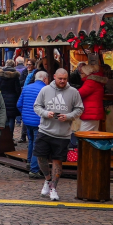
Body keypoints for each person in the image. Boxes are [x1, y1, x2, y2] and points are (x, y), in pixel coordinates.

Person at [32, 68, 83, 201]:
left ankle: (53, 188)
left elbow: (79, 109)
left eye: (65, 79)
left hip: (63, 134)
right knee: (40, 157)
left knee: (57, 160)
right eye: (60, 78)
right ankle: (48, 180)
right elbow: (37, 106)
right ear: (54, 77)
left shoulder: (73, 92)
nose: (62, 81)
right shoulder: (45, 90)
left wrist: (68, 116)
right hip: (45, 130)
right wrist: (45, 113)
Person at [18, 70, 48, 177]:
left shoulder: (26, 88)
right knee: (37, 144)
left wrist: (24, 115)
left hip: (27, 121)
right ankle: (34, 169)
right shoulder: (45, 89)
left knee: (31, 141)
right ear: (45, 79)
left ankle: (29, 162)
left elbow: (19, 104)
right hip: (38, 121)